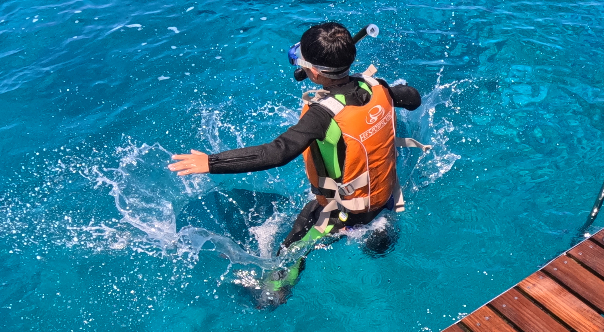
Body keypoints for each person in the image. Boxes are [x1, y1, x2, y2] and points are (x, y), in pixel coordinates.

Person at [169, 22, 424, 292]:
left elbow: (276, 153)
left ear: (313, 72)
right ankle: (379, 240)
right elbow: (414, 98)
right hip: (386, 198)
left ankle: (270, 298)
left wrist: (210, 162)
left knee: (287, 254)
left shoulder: (323, 115)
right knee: (377, 243)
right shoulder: (379, 88)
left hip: (345, 214)